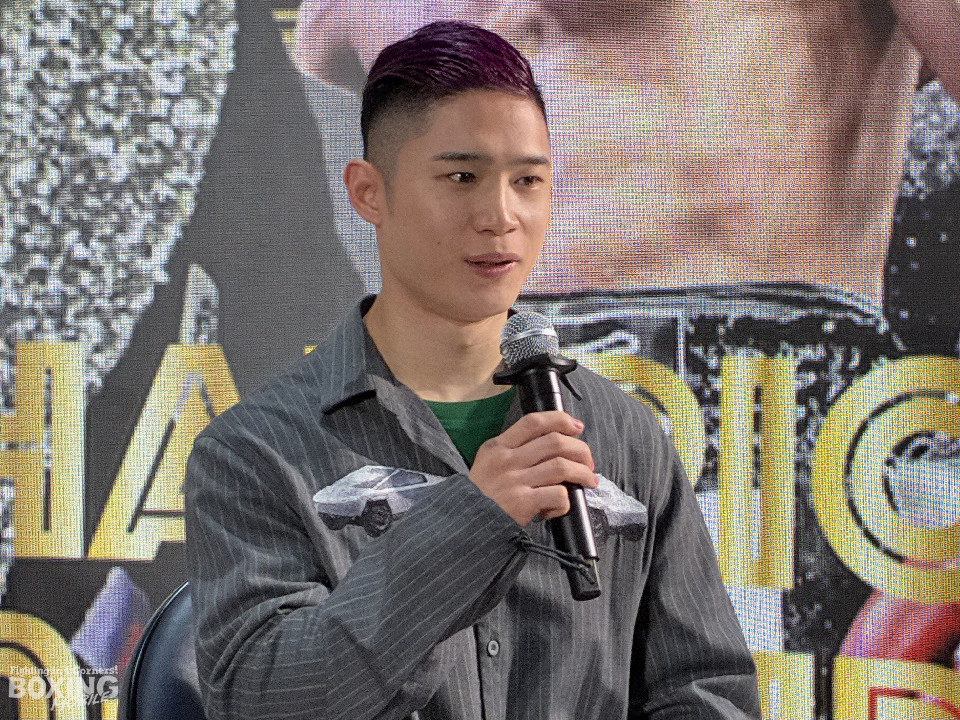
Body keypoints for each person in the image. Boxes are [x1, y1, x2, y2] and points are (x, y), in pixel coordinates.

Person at [185, 20, 760, 720]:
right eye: (462, 178)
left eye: (527, 181)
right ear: (368, 192)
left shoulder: (622, 437)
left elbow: (705, 693)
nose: (500, 216)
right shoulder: (254, 453)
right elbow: (267, 699)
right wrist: (467, 525)